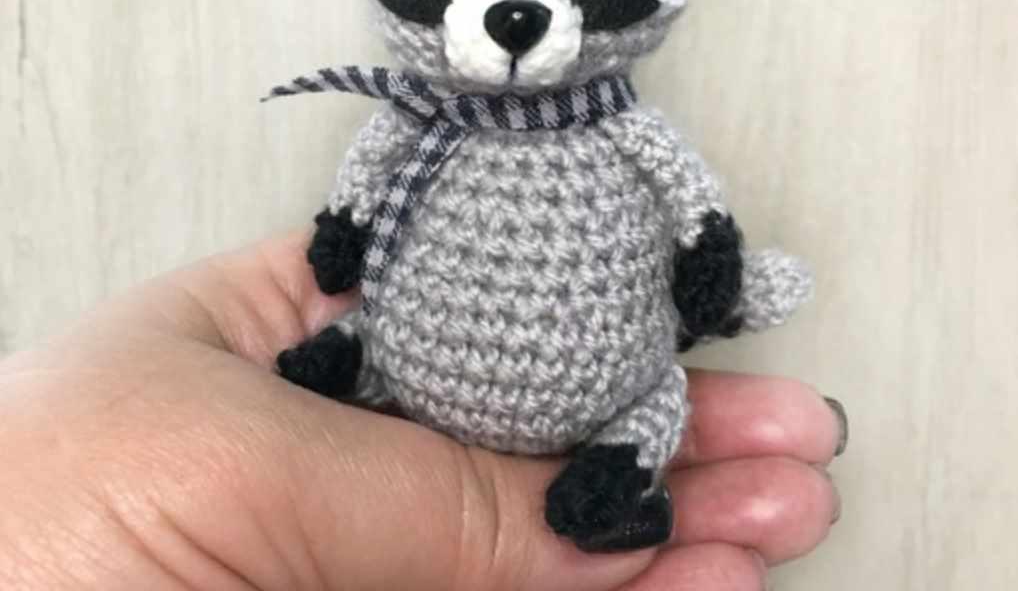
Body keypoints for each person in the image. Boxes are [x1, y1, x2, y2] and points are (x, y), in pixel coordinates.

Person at [0, 230, 845, 590]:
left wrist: (712, 267)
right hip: (417, 347)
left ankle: (615, 470)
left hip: (614, 369)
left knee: (654, 401)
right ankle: (352, 350)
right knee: (384, 326)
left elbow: (686, 207)